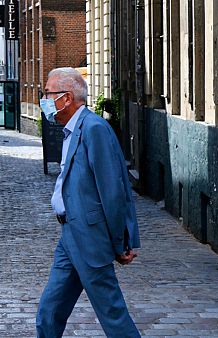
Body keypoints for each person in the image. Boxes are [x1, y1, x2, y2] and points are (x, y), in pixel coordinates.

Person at [35, 67, 141, 338]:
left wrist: (121, 242)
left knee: (113, 315)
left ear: (66, 98)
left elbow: (113, 190)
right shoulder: (72, 130)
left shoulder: (94, 129)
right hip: (70, 235)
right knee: (50, 311)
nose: (45, 100)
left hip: (90, 238)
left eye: (48, 94)